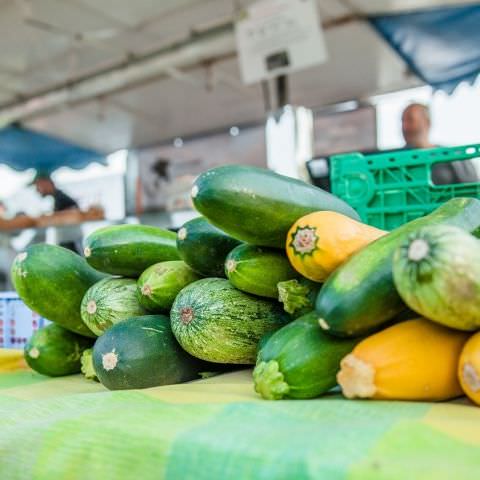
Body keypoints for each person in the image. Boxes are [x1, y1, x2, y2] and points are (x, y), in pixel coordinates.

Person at [401, 103, 478, 184]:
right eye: (403, 121)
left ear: (427, 123)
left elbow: (472, 190)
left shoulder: (454, 158)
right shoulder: (395, 161)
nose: (405, 127)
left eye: (410, 120)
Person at [30, 171, 80, 251]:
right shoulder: (58, 198)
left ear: (46, 183)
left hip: (70, 241)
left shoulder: (62, 198)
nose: (37, 190)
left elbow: (74, 214)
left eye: (37, 186)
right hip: (67, 241)